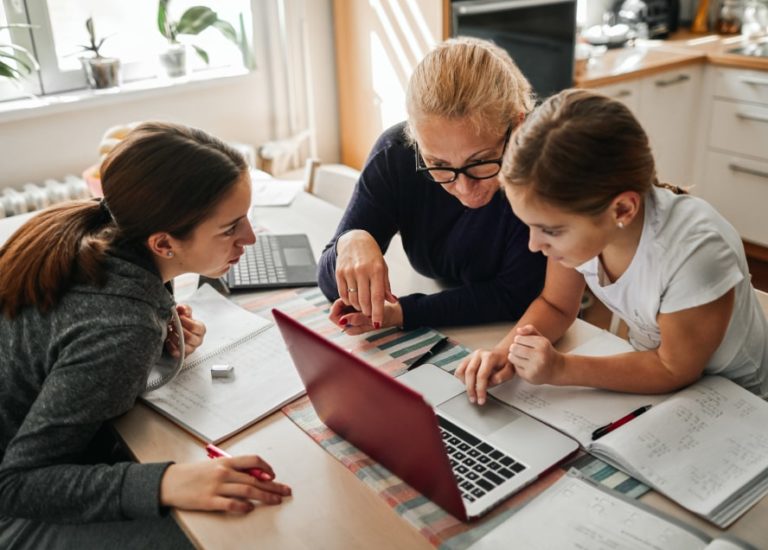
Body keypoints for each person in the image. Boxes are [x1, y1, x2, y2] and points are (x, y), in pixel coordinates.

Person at [0, 123, 292, 549]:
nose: (249, 238)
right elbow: (17, 484)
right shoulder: (121, 325)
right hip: (14, 508)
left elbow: (65, 336)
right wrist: (166, 482)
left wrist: (158, 326)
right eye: (230, 228)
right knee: (234, 537)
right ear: (163, 243)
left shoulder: (100, 233)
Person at [456, 89, 768, 404]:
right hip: (655, 374)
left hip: (737, 400)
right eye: (530, 226)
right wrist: (505, 354)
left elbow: (673, 368)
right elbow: (556, 305)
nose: (534, 245)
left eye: (550, 230)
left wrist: (562, 368)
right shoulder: (587, 228)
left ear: (622, 210)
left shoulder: (696, 252)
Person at [317, 37, 546, 334]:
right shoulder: (395, 155)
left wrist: (403, 313)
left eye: (481, 161)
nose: (464, 188)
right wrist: (350, 241)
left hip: (526, 329)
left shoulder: (538, 168)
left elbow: (514, 295)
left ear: (517, 125)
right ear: (414, 138)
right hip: (468, 326)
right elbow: (327, 283)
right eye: (438, 165)